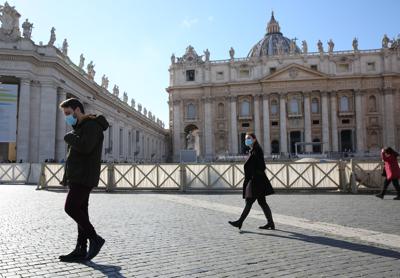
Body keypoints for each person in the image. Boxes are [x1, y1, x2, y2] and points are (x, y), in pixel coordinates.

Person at [58, 98, 109, 262]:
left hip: (84, 176)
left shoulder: (91, 126)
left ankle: (95, 238)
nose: (67, 117)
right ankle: (81, 248)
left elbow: (86, 147)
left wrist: (69, 137)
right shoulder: (80, 127)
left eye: (68, 113)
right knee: (82, 212)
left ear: (77, 110)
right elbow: (74, 156)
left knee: (70, 208)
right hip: (78, 176)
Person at [228, 133, 275, 230]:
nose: (246, 140)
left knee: (249, 201)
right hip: (257, 180)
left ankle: (239, 222)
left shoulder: (257, 150)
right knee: (262, 202)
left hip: (256, 180)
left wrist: (253, 174)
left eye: (249, 138)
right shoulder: (252, 150)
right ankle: (270, 223)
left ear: (254, 139)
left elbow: (262, 166)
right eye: (246, 139)